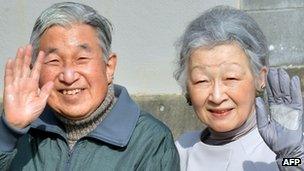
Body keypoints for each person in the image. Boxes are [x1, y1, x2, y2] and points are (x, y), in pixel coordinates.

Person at [0, 2, 179, 170]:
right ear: (35, 71)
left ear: (109, 67)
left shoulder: (150, 139)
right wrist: (9, 131)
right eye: (54, 61)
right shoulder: (16, 130)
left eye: (81, 59)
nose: (68, 76)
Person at [174, 5, 304, 171]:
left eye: (231, 78)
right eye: (202, 81)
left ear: (260, 78)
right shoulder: (180, 151)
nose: (217, 96)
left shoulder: (286, 149)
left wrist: (293, 160)